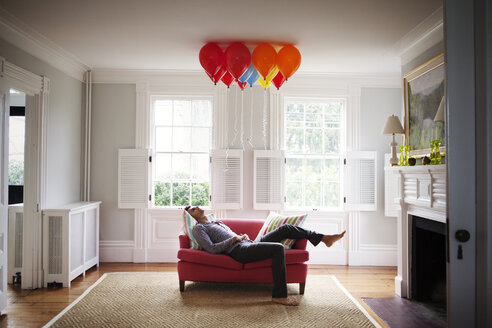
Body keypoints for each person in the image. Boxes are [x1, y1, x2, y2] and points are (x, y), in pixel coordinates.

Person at [185, 206, 346, 306]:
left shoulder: (215, 222)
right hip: (239, 251)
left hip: (248, 243)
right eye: (193, 209)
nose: (197, 207)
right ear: (192, 216)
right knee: (278, 249)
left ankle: (324, 238)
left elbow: (229, 236)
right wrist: (234, 239)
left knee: (286, 228)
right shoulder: (199, 229)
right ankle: (279, 296)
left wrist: (241, 236)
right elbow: (212, 249)